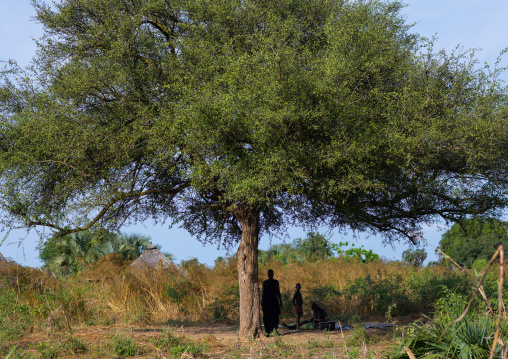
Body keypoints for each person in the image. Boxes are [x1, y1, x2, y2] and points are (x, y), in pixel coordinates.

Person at [261, 269, 282, 336]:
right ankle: (268, 332)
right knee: (267, 317)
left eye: (271, 274)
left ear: (273, 274)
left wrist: (280, 301)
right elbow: (263, 293)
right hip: (267, 302)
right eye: (269, 274)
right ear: (268, 275)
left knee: (275, 317)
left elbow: (278, 292)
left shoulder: (276, 282)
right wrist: (262, 302)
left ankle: (274, 331)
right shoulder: (265, 283)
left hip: (274, 301)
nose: (270, 275)